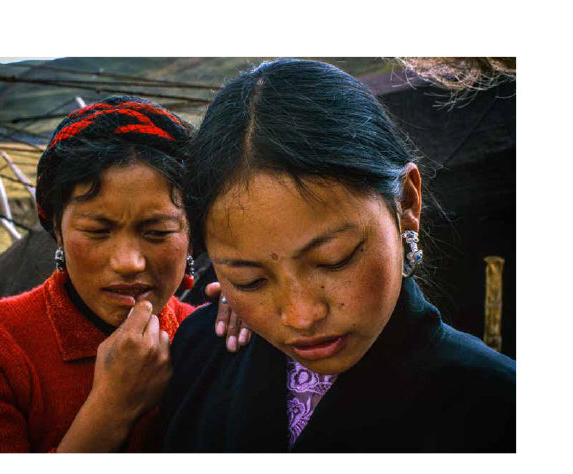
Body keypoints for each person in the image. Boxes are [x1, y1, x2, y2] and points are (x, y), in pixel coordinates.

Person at [160, 59, 515, 452]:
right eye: (250, 279)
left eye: (335, 259)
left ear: (408, 202)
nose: (301, 316)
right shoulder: (195, 351)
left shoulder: (500, 407)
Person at [0, 97, 213, 452]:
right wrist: (113, 407)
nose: (128, 262)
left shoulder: (210, 339)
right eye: (98, 231)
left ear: (193, 238)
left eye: (157, 232)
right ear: (57, 231)